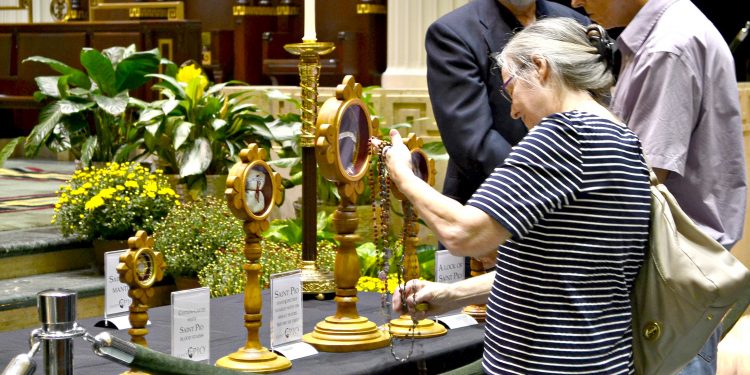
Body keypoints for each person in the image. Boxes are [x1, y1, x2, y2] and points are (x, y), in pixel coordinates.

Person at [384, 18, 649, 374]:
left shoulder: (565, 134)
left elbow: (464, 234)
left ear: (539, 67)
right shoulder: (621, 136)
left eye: (510, 90)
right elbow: (564, 272)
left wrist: (404, 176)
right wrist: (453, 295)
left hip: (547, 364)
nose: (513, 111)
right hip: (600, 360)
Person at [570, 1, 748, 373]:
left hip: (668, 284)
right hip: (673, 275)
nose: (575, 3)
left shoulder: (668, 46)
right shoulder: (667, 33)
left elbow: (636, 185)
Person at [426, 0, 587, 209]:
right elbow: (475, 141)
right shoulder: (453, 32)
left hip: (579, 199)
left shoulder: (576, 22)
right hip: (494, 203)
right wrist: (550, 188)